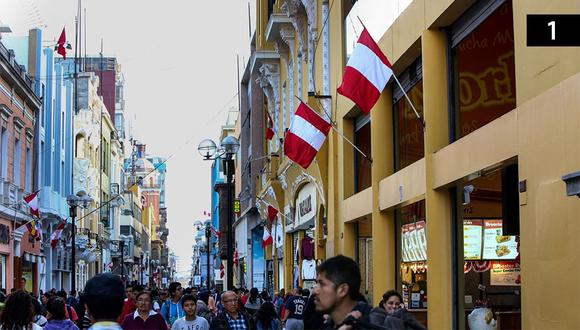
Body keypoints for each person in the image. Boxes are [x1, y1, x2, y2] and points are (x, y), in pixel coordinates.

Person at [313, 255, 379, 330]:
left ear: (343, 290)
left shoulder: (373, 323)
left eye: (322, 284)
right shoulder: (327, 325)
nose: (315, 291)